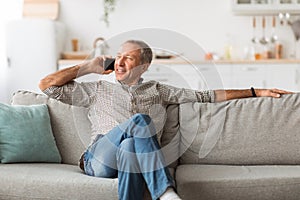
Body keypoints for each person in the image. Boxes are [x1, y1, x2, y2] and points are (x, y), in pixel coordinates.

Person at [39, 40, 292, 200]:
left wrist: (254, 91)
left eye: (129, 57)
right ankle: (166, 192)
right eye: (118, 55)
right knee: (140, 121)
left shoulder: (158, 90)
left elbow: (206, 95)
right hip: (99, 159)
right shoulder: (97, 89)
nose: (120, 61)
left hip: (131, 159)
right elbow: (46, 86)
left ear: (144, 66)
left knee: (130, 147)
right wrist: (87, 67)